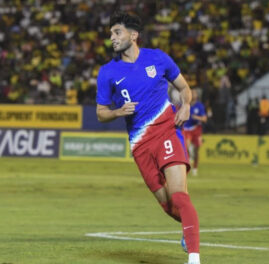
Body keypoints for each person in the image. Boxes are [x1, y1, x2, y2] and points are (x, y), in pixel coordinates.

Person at [95, 12, 201, 264]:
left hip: (167, 131)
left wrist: (186, 106)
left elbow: (184, 88)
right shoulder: (107, 72)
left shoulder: (158, 58)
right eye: (110, 33)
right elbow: (100, 113)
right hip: (140, 144)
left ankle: (194, 257)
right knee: (167, 206)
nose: (112, 38)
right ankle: (189, 226)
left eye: (117, 32)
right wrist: (118, 112)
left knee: (179, 195)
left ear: (133, 35)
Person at [183, 89, 207, 176]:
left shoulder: (199, 106)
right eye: (191, 93)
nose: (192, 95)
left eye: (194, 93)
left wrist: (196, 117)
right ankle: (188, 163)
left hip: (196, 129)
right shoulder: (185, 104)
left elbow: (204, 119)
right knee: (186, 147)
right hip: (186, 129)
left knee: (197, 151)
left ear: (197, 96)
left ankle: (195, 168)